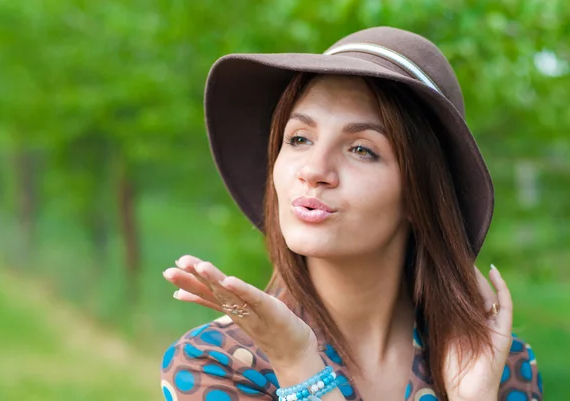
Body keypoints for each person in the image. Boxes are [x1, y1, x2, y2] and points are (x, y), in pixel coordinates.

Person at [160, 26, 542, 401]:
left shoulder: (497, 364)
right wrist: (298, 366)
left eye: (361, 149)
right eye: (299, 138)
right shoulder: (216, 361)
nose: (313, 169)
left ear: (418, 193)